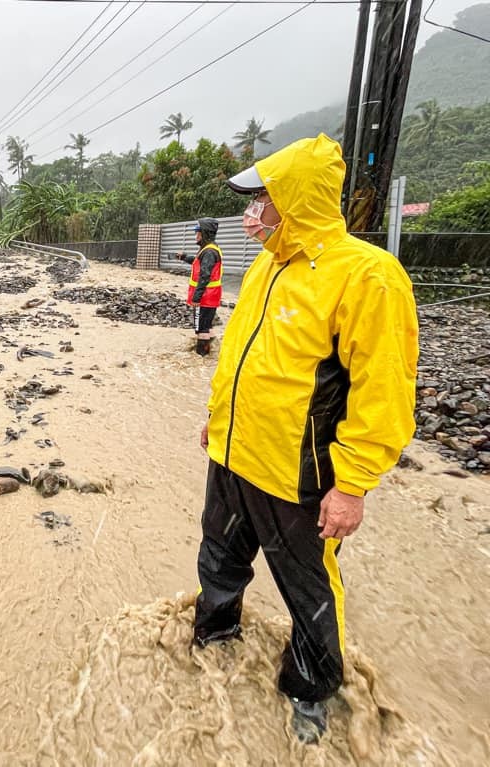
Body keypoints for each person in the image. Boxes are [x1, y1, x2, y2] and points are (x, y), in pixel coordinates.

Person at [191, 134, 419, 744]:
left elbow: (384, 393)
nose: (251, 214)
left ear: (294, 200)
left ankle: (312, 693)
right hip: (233, 458)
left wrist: (352, 486)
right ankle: (214, 636)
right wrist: (219, 416)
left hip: (299, 476)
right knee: (219, 558)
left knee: (309, 590)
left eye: (261, 200)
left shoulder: (368, 276)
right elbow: (243, 354)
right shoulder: (269, 264)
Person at [175, 217, 223, 355]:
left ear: (205, 234)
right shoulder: (209, 249)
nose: (196, 236)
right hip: (211, 295)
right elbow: (198, 262)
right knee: (206, 324)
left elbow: (205, 275)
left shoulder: (208, 252)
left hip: (205, 297)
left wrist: (196, 297)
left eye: (198, 233)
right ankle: (212, 347)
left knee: (200, 327)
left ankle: (201, 354)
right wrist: (184, 257)